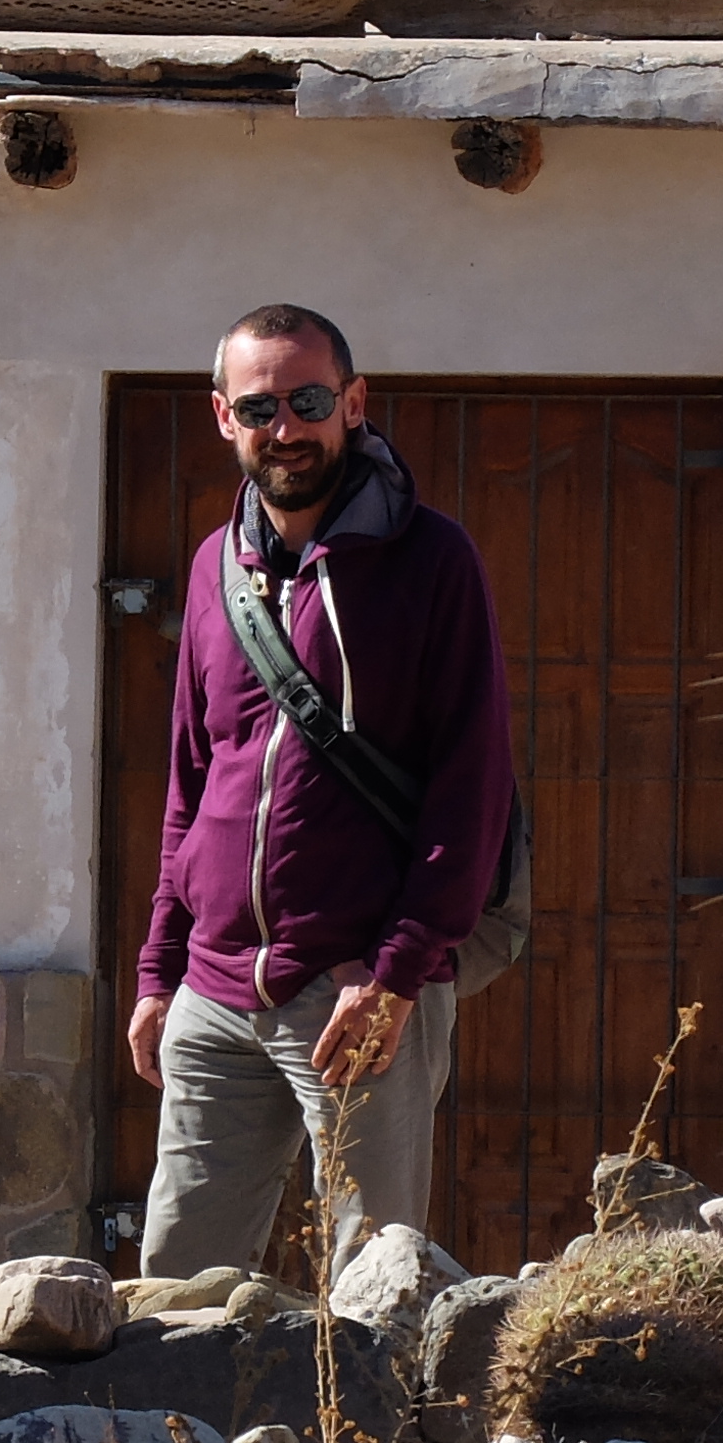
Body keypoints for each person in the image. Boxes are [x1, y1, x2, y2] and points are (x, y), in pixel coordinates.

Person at [130, 302, 515, 1278]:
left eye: (307, 400)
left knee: (372, 1282)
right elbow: (191, 780)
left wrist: (394, 975)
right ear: (222, 417)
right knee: (176, 1286)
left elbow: (469, 788)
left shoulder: (431, 562)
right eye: (259, 406)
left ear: (353, 402)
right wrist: (157, 972)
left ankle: (363, 1440)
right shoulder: (216, 568)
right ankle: (198, 1440)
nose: (285, 428)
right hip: (213, 992)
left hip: (352, 989)